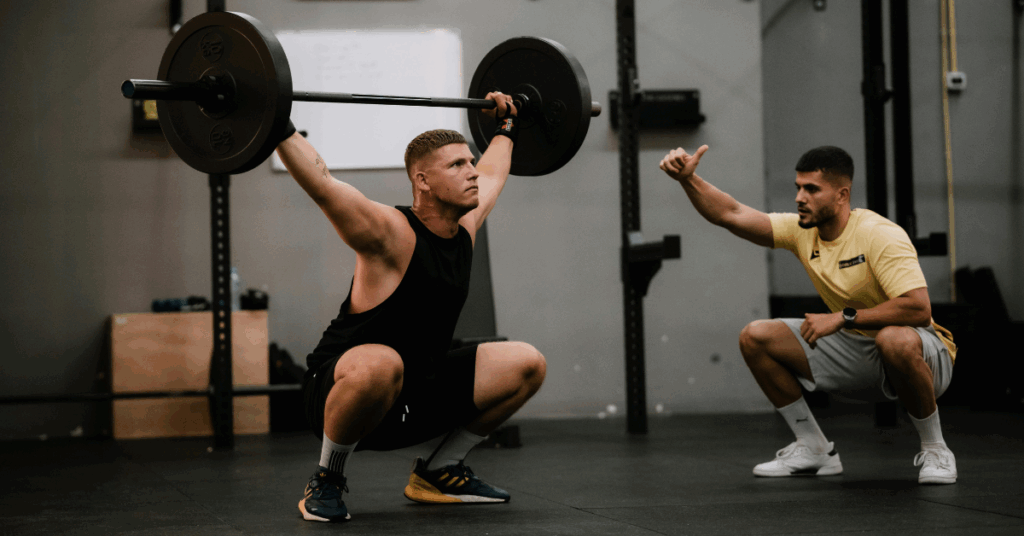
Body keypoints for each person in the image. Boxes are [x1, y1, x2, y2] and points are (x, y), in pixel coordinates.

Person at [275, 92, 547, 523]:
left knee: (527, 363)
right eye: (457, 165)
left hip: (417, 390)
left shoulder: (467, 226)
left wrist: (508, 124)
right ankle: (327, 478)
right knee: (382, 363)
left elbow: (494, 170)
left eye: (469, 162)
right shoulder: (390, 232)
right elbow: (323, 183)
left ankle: (439, 470)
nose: (472, 172)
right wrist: (276, 124)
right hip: (343, 390)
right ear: (422, 180)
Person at [659, 144, 957, 485]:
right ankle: (813, 447)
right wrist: (689, 179)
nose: (801, 197)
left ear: (842, 195)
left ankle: (936, 449)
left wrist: (843, 317)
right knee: (756, 336)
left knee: (894, 338)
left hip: (924, 356)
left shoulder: (879, 234)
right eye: (798, 188)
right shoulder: (802, 230)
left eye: (812, 189)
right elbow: (731, 213)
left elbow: (919, 309)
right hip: (857, 353)